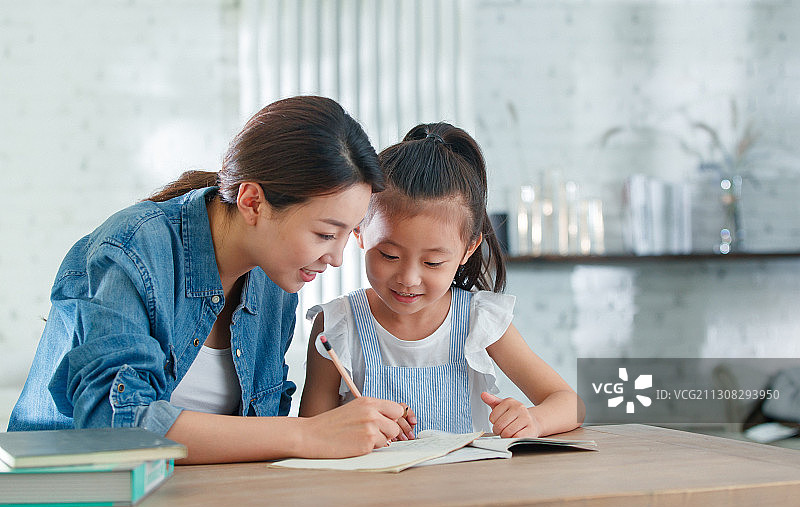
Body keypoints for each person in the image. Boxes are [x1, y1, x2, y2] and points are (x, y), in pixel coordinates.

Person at [9, 95, 408, 463]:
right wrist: (306, 435)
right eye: (324, 234)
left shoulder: (275, 278)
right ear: (252, 202)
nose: (336, 258)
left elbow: (260, 429)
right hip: (73, 501)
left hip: (206, 501)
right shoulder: (131, 251)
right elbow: (116, 425)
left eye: (347, 234)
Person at [300, 122, 584, 439]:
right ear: (359, 231)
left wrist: (534, 420)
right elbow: (311, 435)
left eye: (433, 262)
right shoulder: (337, 324)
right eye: (389, 256)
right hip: (369, 488)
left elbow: (570, 403)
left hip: (463, 488)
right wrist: (342, 428)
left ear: (468, 248)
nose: (408, 279)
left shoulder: (480, 320)